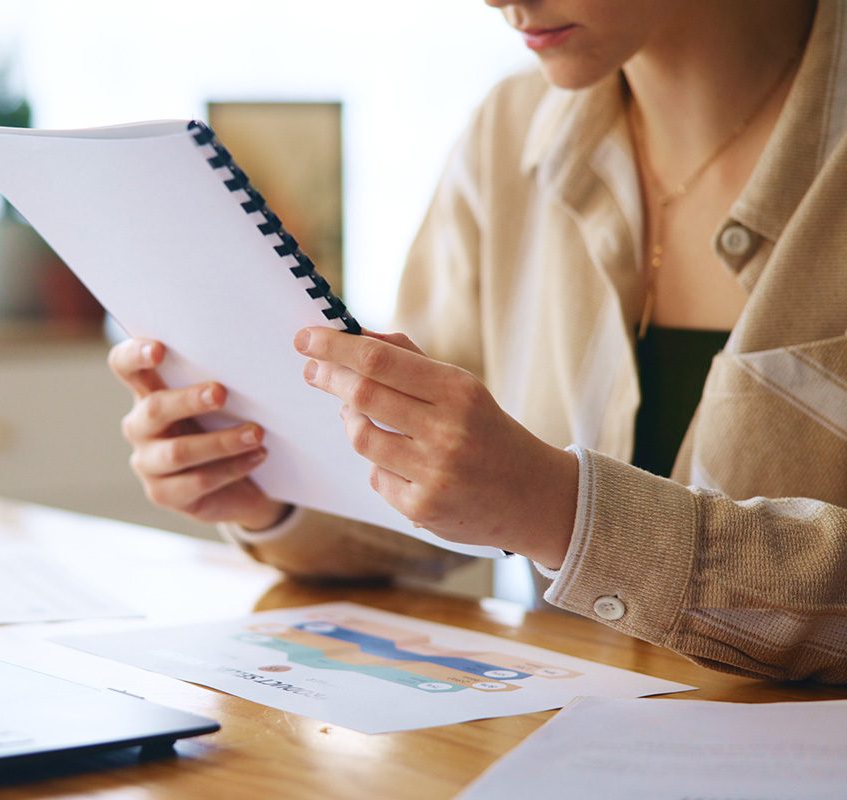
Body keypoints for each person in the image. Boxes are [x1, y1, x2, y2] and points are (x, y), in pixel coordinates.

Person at [108, 0, 847, 682]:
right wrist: (266, 488)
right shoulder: (510, 128)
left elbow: (522, 504)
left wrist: (559, 510)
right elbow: (431, 502)